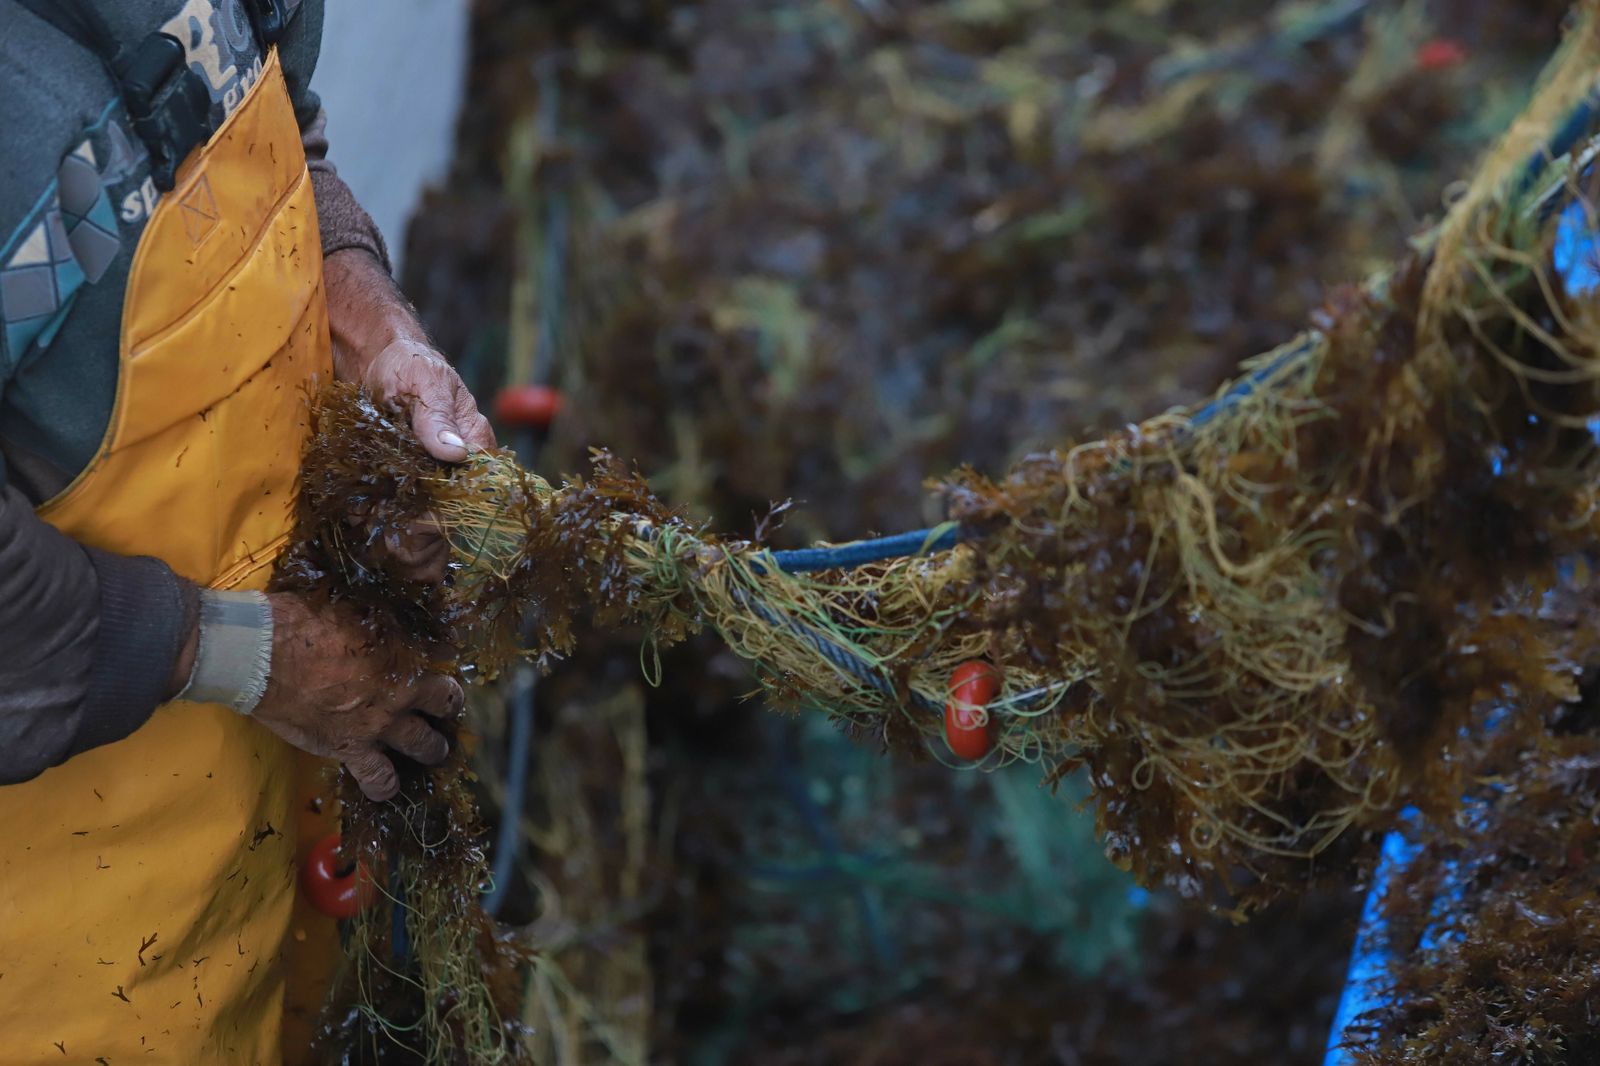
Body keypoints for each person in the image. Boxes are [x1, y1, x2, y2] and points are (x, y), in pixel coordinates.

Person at [0, 1, 494, 1060]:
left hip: (274, 823)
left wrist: (362, 312)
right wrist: (251, 654)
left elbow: (260, 115)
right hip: (60, 946)